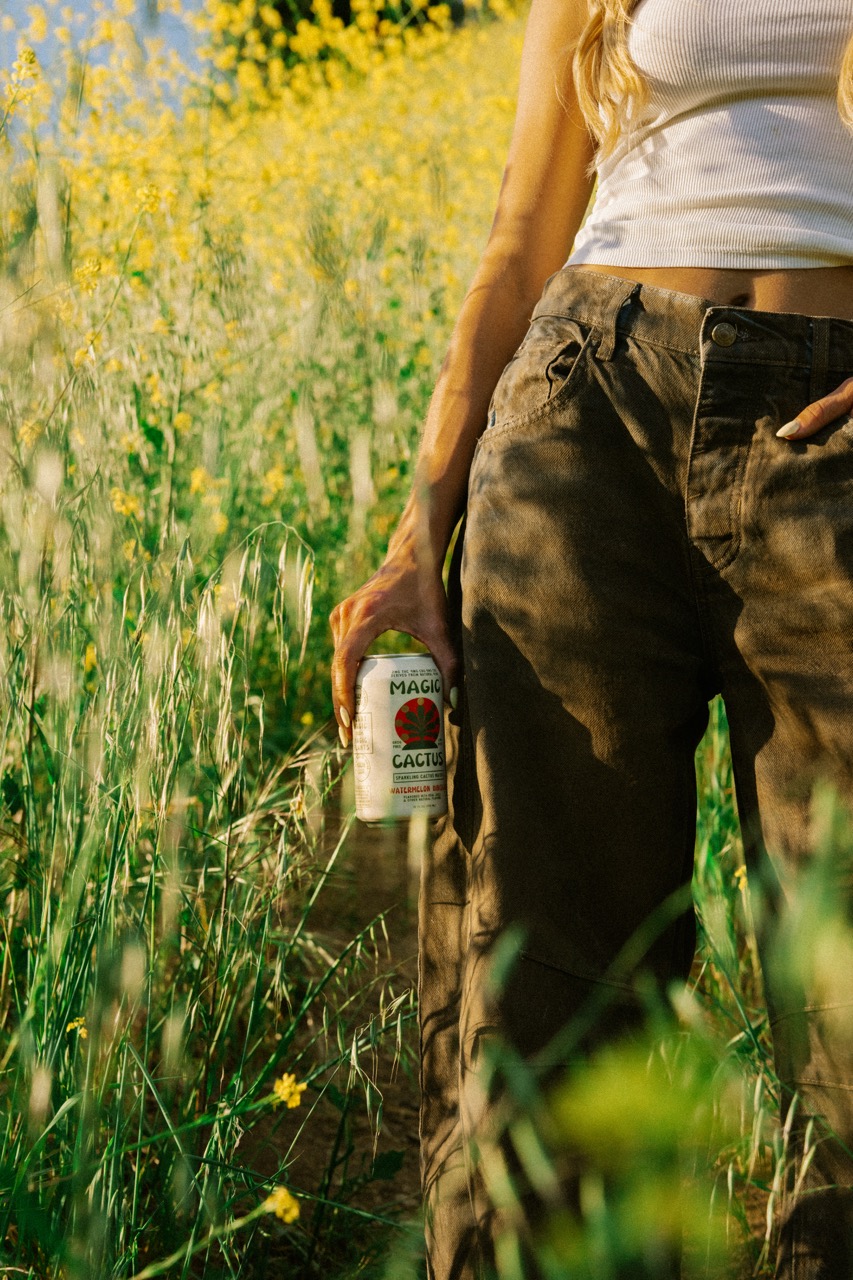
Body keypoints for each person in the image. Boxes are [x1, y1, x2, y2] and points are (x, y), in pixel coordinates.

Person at [330, 0, 853, 1275]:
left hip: (836, 445)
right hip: (587, 413)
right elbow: (520, 240)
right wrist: (418, 535)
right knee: (547, 986)